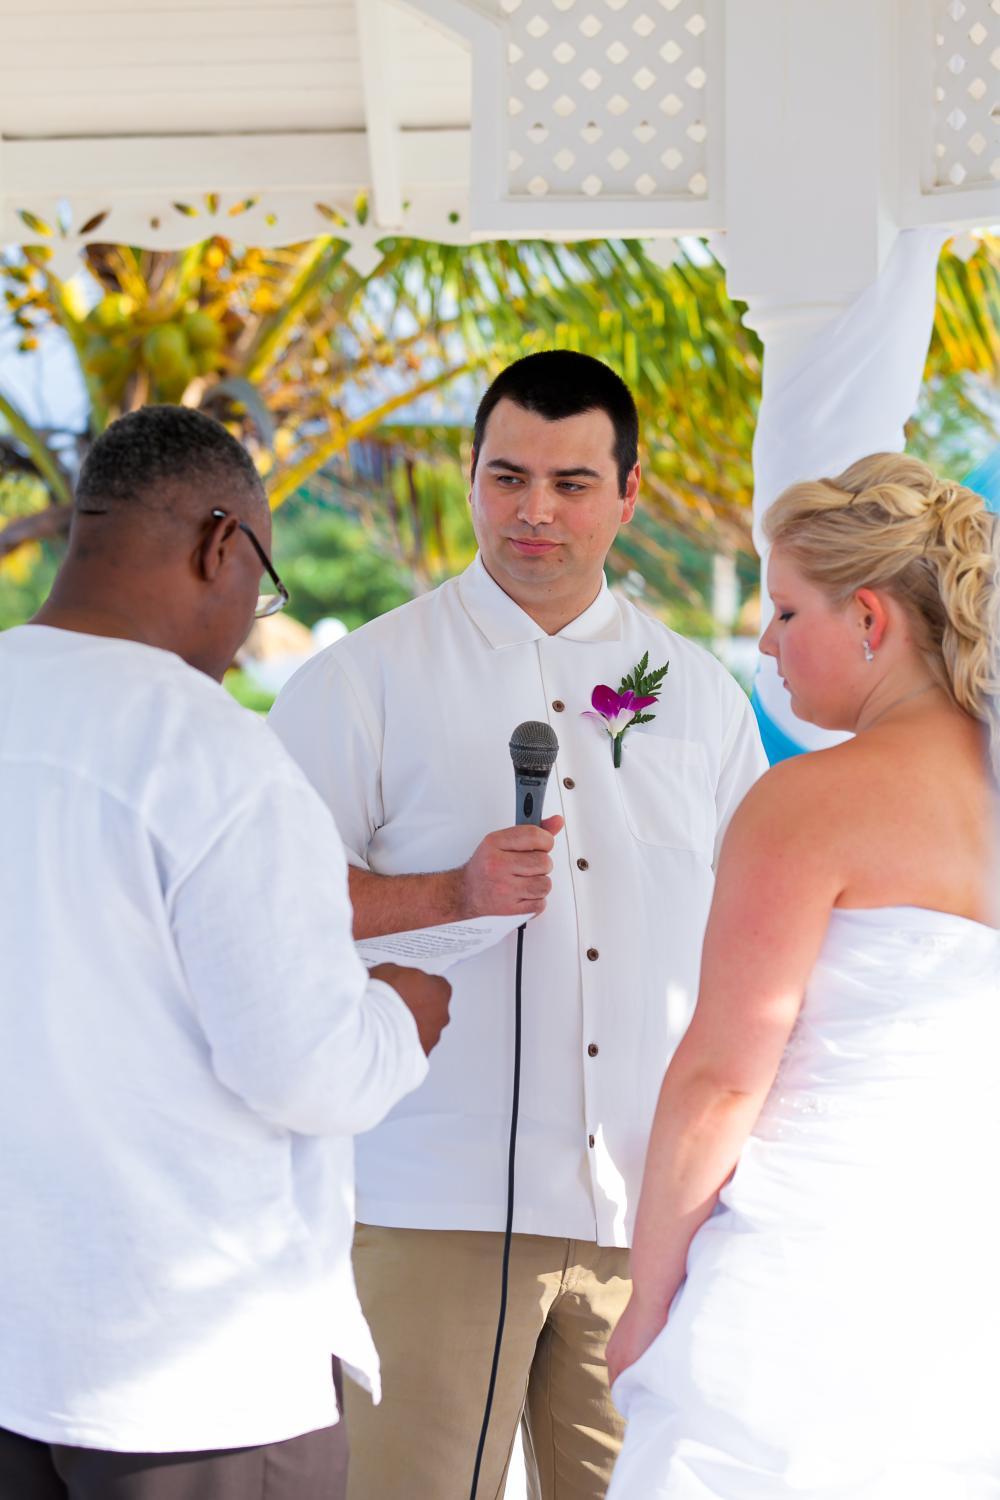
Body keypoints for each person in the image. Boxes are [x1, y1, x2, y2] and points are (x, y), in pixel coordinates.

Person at [268, 350, 768, 1499]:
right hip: (429, 1205)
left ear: (629, 492)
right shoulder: (360, 683)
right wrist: (447, 893)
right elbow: (266, 913)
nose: (534, 510)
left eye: (572, 482)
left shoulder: (696, 695)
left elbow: (753, 942)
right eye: (507, 477)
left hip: (644, 1218)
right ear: (471, 477)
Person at [0, 405, 451, 1500]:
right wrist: (402, 1014)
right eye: (265, 580)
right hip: (193, 1385)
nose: (253, 618)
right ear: (220, 545)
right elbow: (303, 1070)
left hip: (21, 1345)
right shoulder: (213, 756)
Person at [606, 452, 1000, 1498]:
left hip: (805, 1280)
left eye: (784, 613)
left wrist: (648, 1302)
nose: (766, 644)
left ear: (870, 619)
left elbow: (722, 1081)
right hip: (967, 1297)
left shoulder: (807, 803)